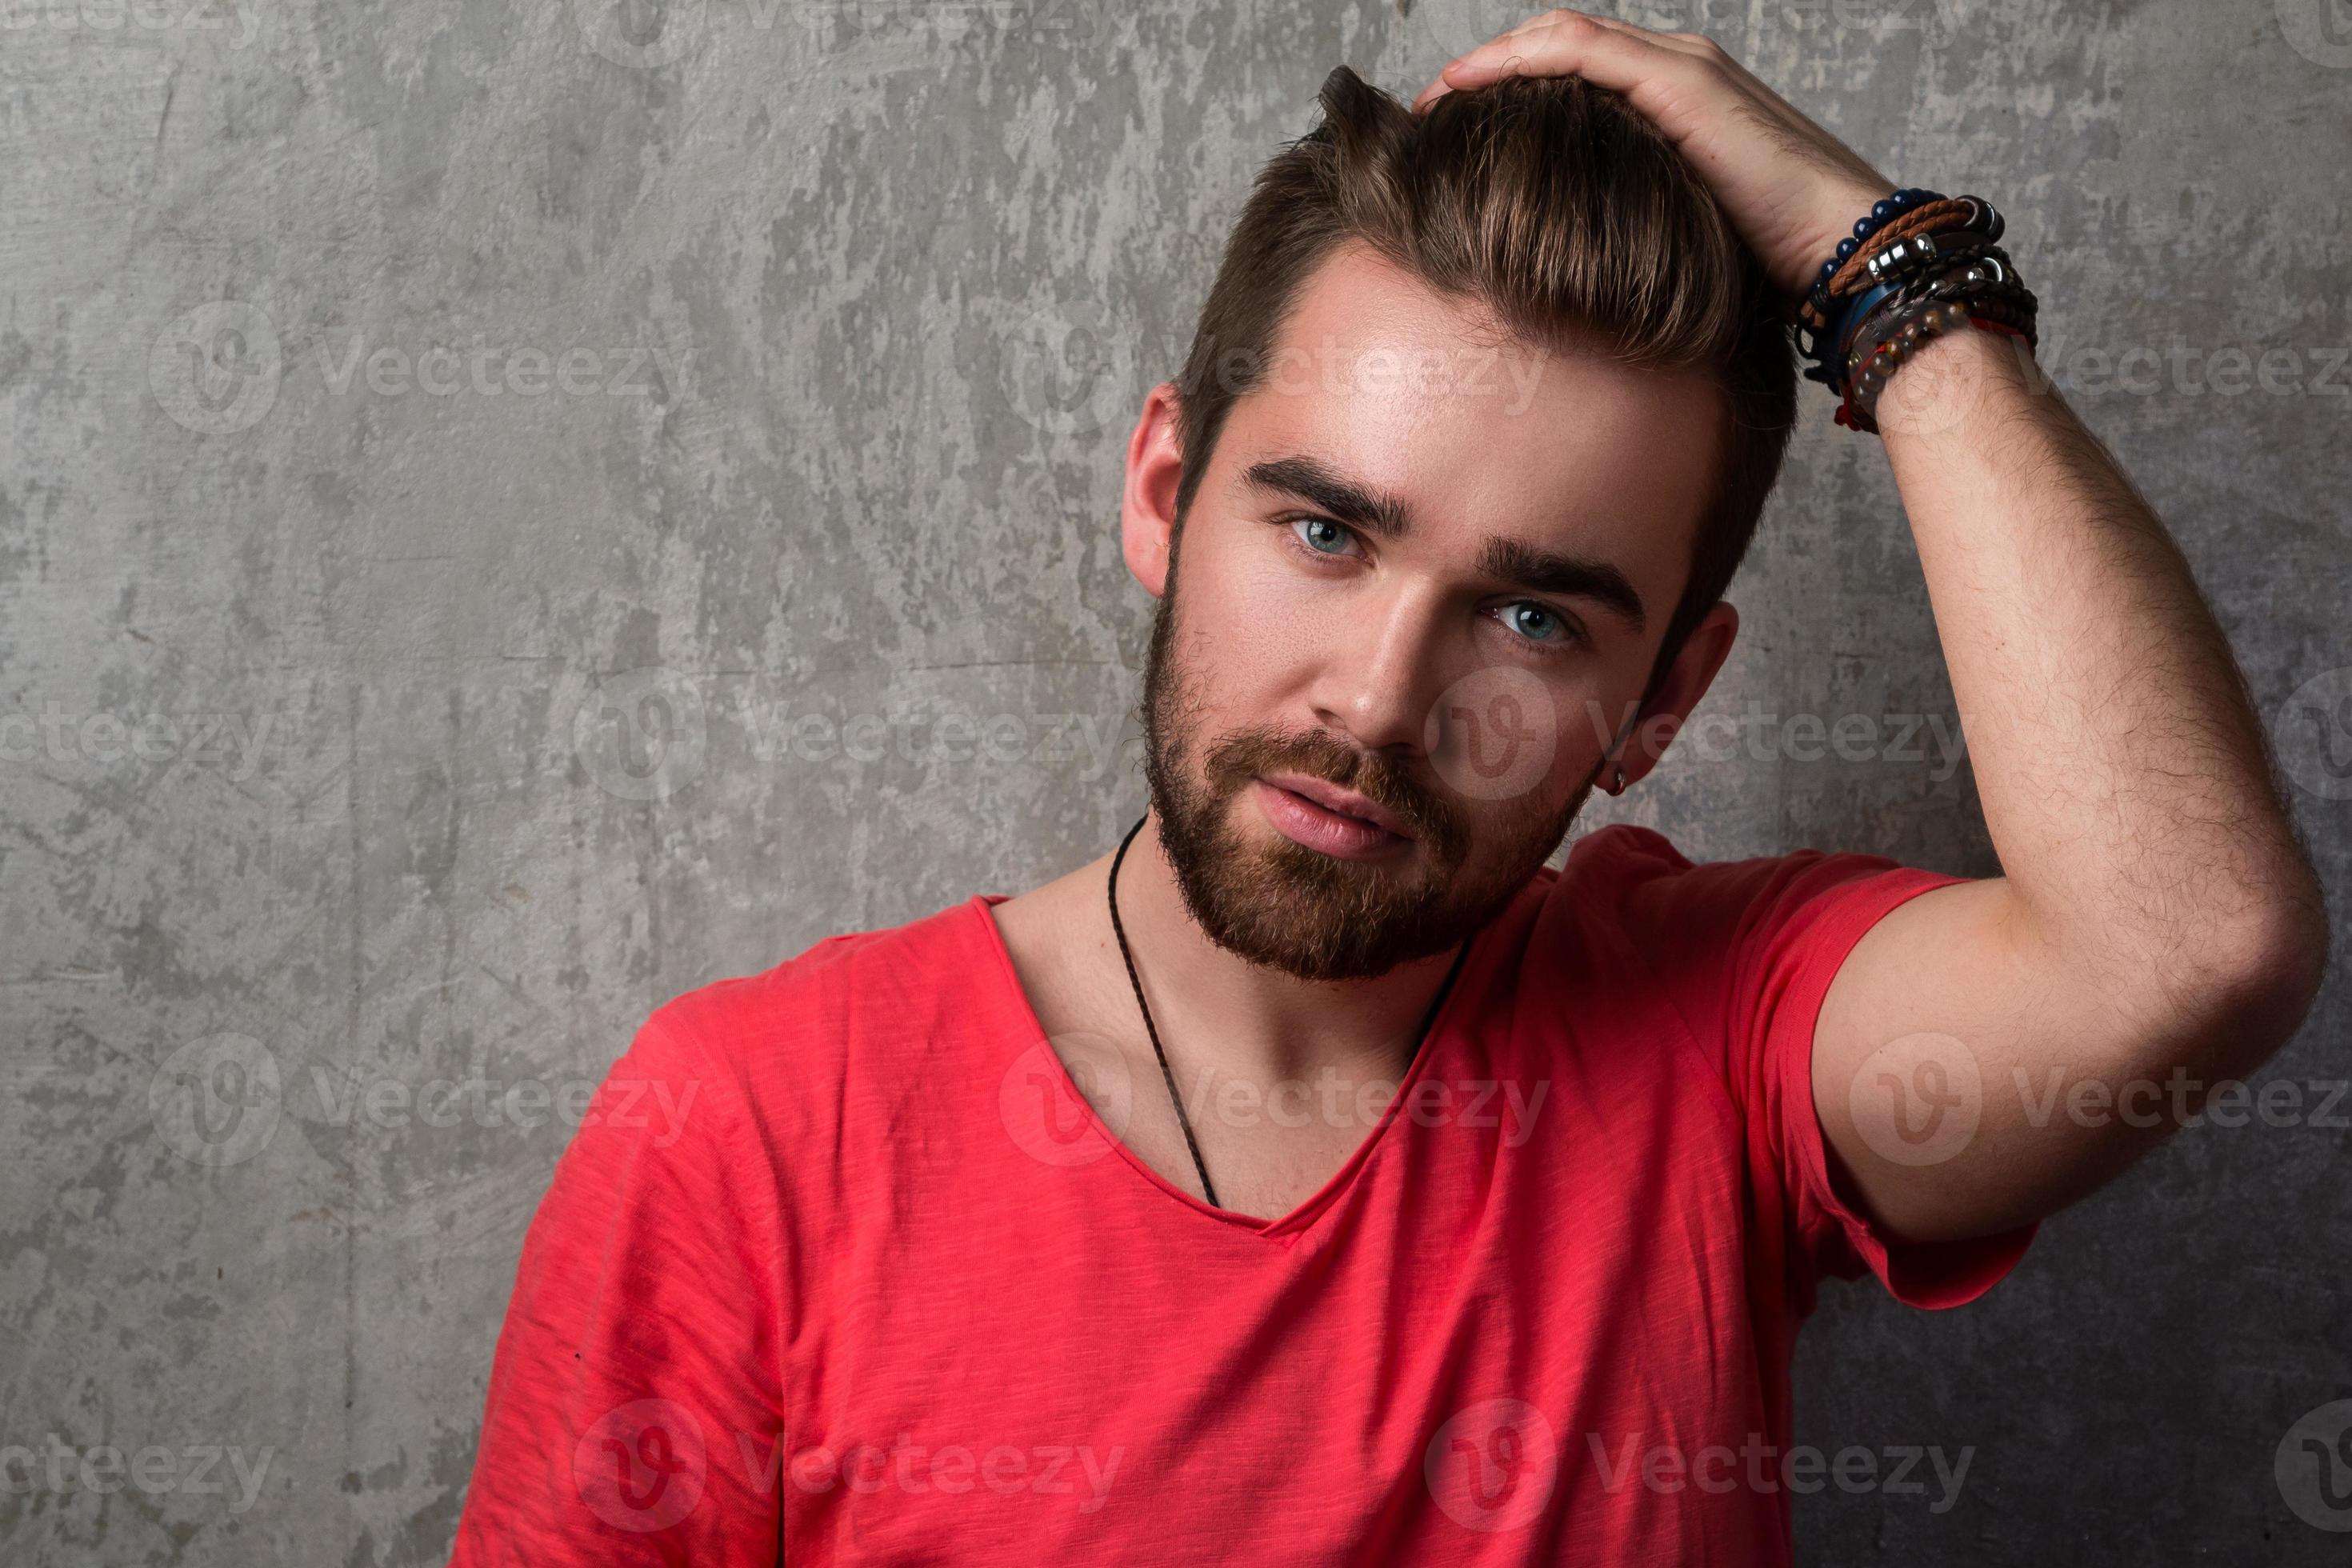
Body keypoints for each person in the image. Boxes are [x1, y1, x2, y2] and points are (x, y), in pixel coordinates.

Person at [447, 14, 2328, 1564]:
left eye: (1531, 612)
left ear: (1662, 696)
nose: (1377, 698)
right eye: (1328, 529)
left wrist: (1896, 277)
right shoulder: (753, 1129)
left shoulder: (1723, 1044)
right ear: (1168, 497)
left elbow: (2189, 945)